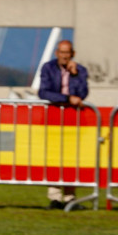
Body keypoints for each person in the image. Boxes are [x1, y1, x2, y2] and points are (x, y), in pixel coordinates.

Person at [37, 39, 89, 209]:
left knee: (70, 157)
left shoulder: (80, 70)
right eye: (62, 52)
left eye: (67, 53)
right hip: (53, 119)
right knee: (53, 157)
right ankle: (55, 197)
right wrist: (67, 99)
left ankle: (70, 198)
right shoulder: (48, 68)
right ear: (56, 53)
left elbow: (83, 93)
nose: (65, 56)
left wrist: (74, 75)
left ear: (72, 54)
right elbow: (44, 92)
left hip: (73, 120)